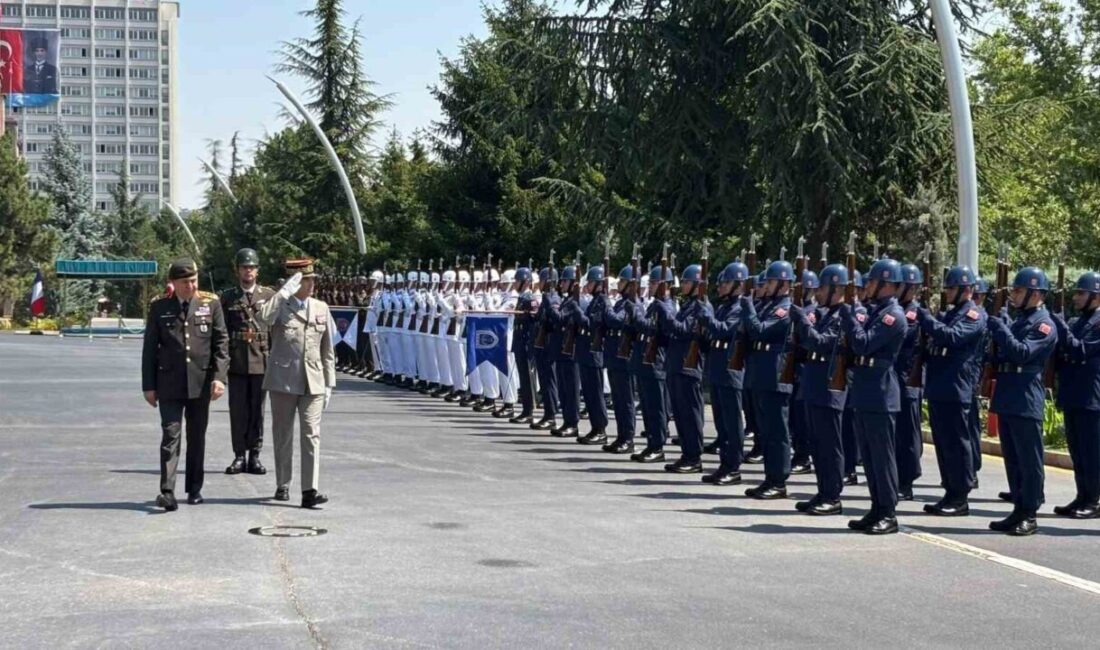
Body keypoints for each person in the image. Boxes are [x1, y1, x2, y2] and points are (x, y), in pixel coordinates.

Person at [141, 258, 228, 511]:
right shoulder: (160, 307)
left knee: (197, 437)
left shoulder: (210, 304)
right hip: (168, 383)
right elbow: (149, 349)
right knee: (171, 435)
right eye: (185, 282)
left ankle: (194, 488)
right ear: (174, 283)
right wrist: (148, 385)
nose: (191, 286)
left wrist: (219, 378)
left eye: (194, 280)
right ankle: (167, 491)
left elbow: (221, 344)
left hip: (201, 382)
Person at [258, 259, 336, 508]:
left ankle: (309, 490)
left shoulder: (321, 307)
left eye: (313, 279)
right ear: (295, 282)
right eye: (306, 280)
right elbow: (262, 319)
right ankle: (283, 483)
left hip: (313, 380)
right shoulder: (280, 306)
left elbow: (328, 350)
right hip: (283, 380)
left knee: (311, 434)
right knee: (282, 434)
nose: (312, 284)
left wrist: (329, 383)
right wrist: (282, 293)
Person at [986, 267, 1057, 535]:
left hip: (1026, 395)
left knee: (1029, 459)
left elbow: (1023, 353)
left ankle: (1030, 513)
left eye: (1018, 290)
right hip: (1008, 393)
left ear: (1035, 293)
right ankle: (1017, 508)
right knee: (1013, 458)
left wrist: (1001, 329)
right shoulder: (1019, 320)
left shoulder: (1044, 324)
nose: (1013, 295)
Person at [842, 258, 908, 535]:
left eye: (871, 281)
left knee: (882, 456)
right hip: (866, 389)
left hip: (880, 391)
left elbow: (864, 344)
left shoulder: (893, 316)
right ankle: (876, 506)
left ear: (886, 285)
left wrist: (848, 316)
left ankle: (888, 512)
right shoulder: (875, 311)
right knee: (868, 456)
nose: (866, 286)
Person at [916, 266, 985, 516]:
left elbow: (952, 338)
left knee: (958, 443)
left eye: (951, 288)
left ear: (966, 291)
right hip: (940, 386)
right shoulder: (950, 314)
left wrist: (925, 318)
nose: (947, 292)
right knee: (944, 443)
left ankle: (960, 495)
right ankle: (949, 491)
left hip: (957, 387)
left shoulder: (974, 315)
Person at [791, 264, 849, 515]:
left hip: (830, 386)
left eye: (823, 288)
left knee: (830, 444)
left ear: (836, 289)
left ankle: (833, 495)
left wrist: (803, 322)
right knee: (818, 443)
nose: (817, 294)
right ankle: (823, 490)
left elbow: (823, 343)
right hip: (815, 384)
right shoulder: (826, 313)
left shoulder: (844, 315)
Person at [218, 248, 275, 476]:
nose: (248, 271)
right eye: (244, 267)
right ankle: (239, 455)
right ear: (237, 270)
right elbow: (221, 332)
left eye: (251, 267)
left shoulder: (269, 296)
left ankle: (255, 455)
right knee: (238, 411)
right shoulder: (228, 297)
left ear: (257, 271)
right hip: (238, 362)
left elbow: (275, 331)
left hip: (262, 361)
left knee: (257, 411)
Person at [741, 260, 795, 498]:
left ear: (783, 284)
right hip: (760, 375)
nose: (766, 285)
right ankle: (769, 478)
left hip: (775, 377)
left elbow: (760, 330)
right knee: (765, 431)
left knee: (777, 432)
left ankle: (779, 480)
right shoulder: (767, 306)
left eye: (771, 281)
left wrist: (748, 307)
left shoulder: (785, 309)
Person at [1051, 271, 1100, 520]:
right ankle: (1082, 495)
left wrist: (1060, 325)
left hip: (1091, 397)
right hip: (1073, 394)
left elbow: (1081, 350)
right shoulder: (1079, 321)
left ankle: (1093, 500)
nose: (1076, 297)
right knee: (1077, 451)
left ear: (1096, 296)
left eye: (1081, 293)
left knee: (1091, 452)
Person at [662, 262, 714, 472]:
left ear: (697, 284)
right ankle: (686, 454)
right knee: (681, 413)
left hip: (689, 367)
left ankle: (694, 458)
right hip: (677, 364)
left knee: (691, 414)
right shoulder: (688, 305)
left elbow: (685, 330)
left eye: (686, 282)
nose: (682, 285)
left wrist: (665, 313)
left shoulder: (702, 306)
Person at [701, 260, 749, 484]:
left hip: (731, 371)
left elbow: (724, 331)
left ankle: (734, 466)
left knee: (731, 422)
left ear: (739, 285)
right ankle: (724, 464)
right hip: (718, 369)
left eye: (726, 283)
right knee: (721, 423)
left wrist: (707, 318)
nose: (720, 287)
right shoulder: (723, 306)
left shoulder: (741, 308)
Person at [601, 264, 640, 453]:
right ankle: (621, 435)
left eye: (623, 281)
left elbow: (616, 320)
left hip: (624, 358)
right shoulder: (620, 302)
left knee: (625, 400)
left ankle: (628, 438)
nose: (619, 284)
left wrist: (606, 305)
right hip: (614, 356)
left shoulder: (632, 304)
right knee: (618, 400)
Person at [894, 264, 925, 500]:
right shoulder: (897, 309)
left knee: (907, 432)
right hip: (894, 378)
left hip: (907, 379)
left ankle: (907, 480)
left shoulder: (913, 313)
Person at [574, 266, 611, 445]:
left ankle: (601, 428)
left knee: (595, 393)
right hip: (587, 352)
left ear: (598, 283)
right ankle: (595, 427)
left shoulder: (603, 301)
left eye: (590, 282)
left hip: (595, 354)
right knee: (589, 393)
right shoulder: (595, 300)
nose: (587, 285)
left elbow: (592, 324)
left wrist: (578, 313)